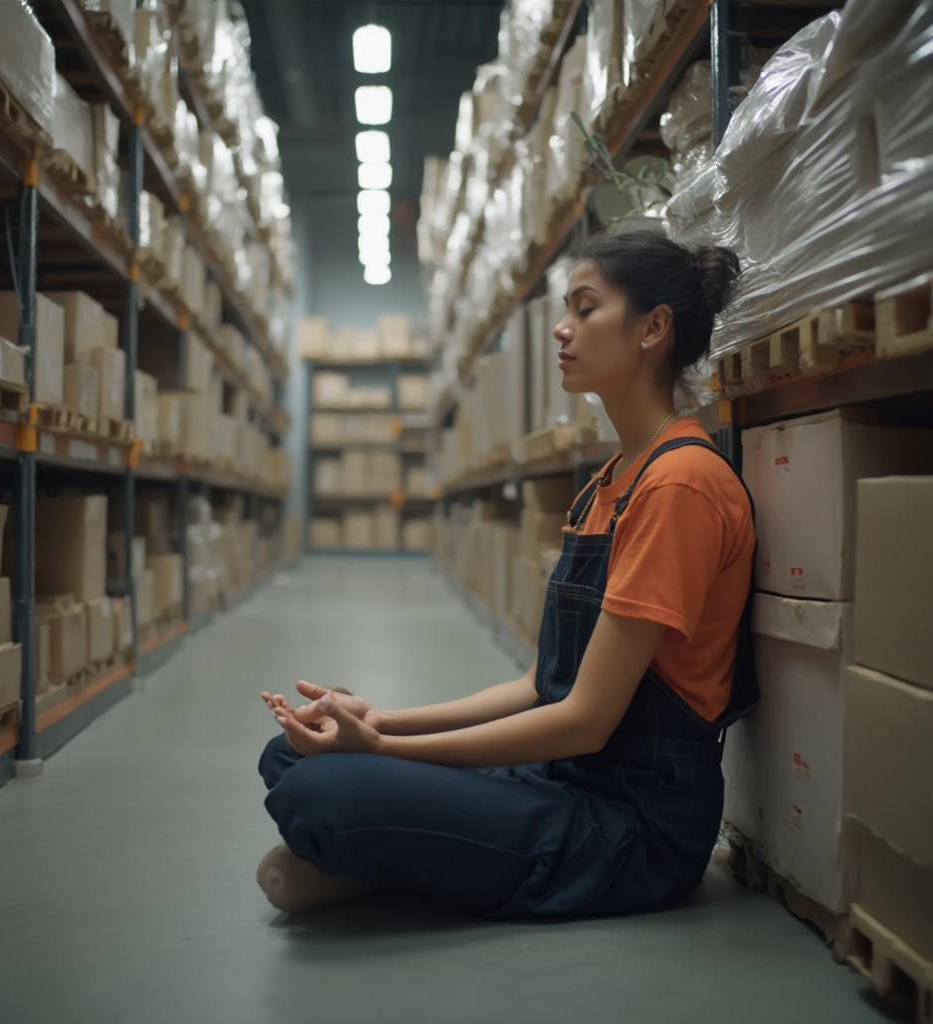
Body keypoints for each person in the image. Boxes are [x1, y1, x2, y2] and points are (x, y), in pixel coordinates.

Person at [257, 230, 759, 919]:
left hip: (630, 825)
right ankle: (399, 858)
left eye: (585, 309)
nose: (562, 329)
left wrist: (379, 751)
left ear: (653, 329)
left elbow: (583, 721)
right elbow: (539, 684)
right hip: (562, 778)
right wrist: (382, 722)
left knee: (322, 793)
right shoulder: (609, 483)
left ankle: (382, 861)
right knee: (292, 757)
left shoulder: (680, 485)